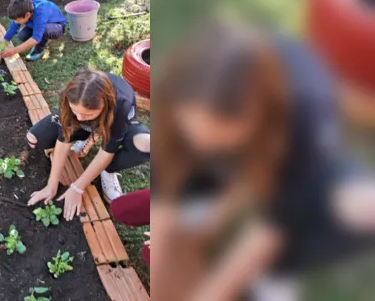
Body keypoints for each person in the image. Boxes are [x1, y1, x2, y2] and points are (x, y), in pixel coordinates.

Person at [150, 21, 375, 301]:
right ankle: (205, 212)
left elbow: (273, 223)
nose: (205, 142)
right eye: (195, 130)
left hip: (307, 160)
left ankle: (280, 270)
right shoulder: (172, 91)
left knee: (361, 207)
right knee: (188, 212)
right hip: (254, 149)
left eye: (221, 136)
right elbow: (161, 196)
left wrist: (210, 293)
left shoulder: (304, 116)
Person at [26, 68, 151, 220]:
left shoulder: (120, 106)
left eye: (87, 114)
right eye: (75, 111)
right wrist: (51, 185)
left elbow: (106, 152)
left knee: (147, 145)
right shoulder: (71, 95)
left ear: (104, 106)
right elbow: (64, 138)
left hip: (113, 121)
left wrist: (77, 188)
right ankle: (87, 134)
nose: (79, 117)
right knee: (36, 138)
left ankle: (108, 170)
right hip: (94, 122)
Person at [0, 0, 66, 65]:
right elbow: (8, 34)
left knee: (42, 32)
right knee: (22, 36)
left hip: (57, 27)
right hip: (38, 24)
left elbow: (36, 39)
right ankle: (37, 35)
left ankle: (39, 50)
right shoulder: (25, 9)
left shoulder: (40, 14)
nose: (15, 22)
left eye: (17, 19)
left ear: (27, 15)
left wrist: (13, 51)